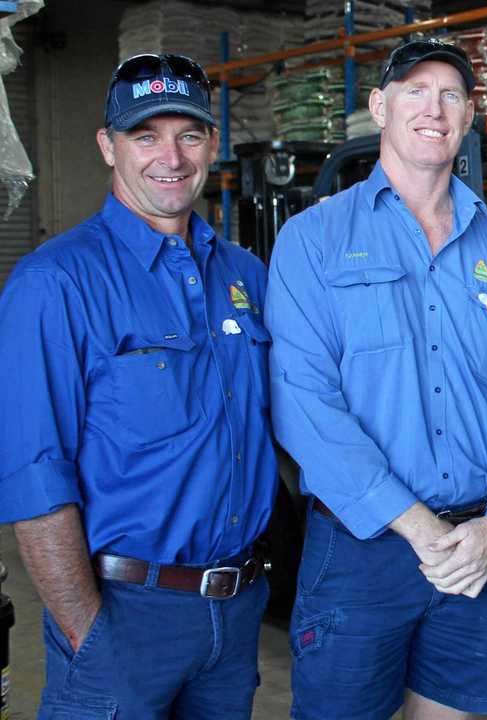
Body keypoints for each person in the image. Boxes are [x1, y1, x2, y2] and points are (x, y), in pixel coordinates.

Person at [266, 39, 487, 720]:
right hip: (364, 549)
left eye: (451, 95)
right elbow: (304, 405)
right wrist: (421, 530)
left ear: (468, 117)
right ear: (379, 108)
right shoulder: (313, 240)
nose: (434, 108)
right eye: (414, 91)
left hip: (481, 550)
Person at [0, 54, 275, 718]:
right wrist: (88, 635)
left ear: (214, 143)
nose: (170, 156)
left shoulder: (244, 275)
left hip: (236, 613)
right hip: (123, 612)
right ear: (107, 146)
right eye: (145, 135)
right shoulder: (54, 283)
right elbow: (36, 482)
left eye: (188, 133)